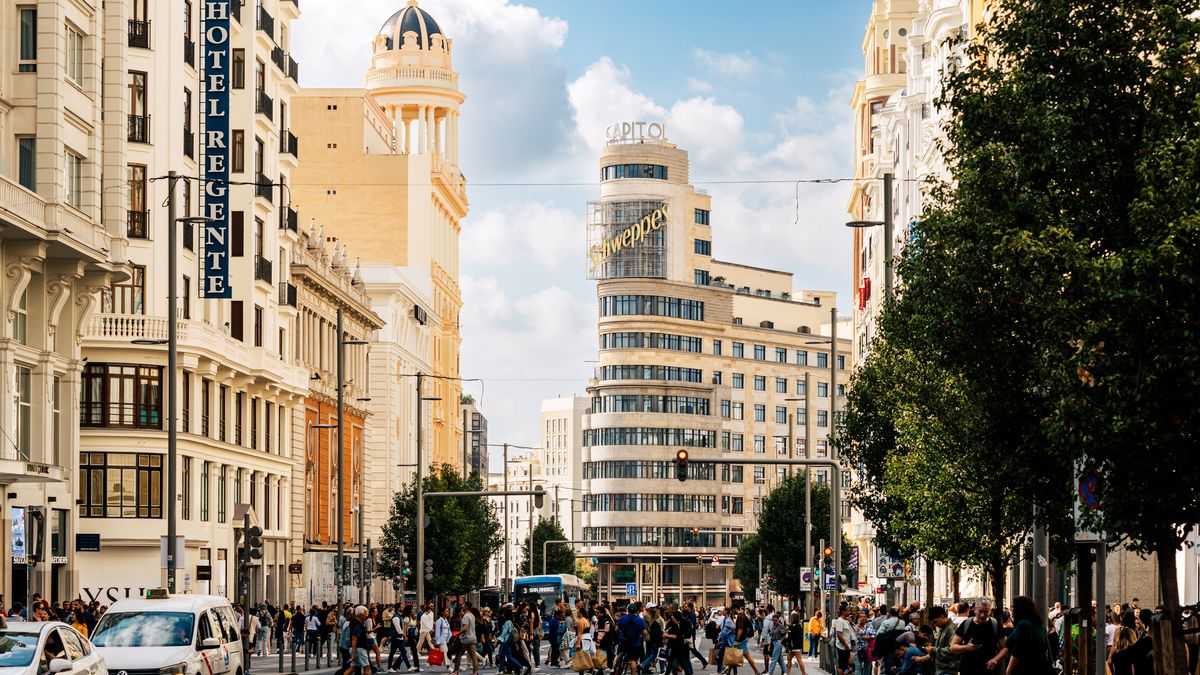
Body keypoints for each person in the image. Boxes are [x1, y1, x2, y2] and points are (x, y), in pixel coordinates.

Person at [951, 600, 1005, 675]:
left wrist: (996, 659)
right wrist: (966, 647)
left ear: (990, 611)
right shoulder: (966, 624)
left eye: (986, 612)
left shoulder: (995, 625)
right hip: (968, 669)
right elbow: (953, 646)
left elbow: (1005, 647)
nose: (982, 615)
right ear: (974, 609)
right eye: (980, 611)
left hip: (989, 670)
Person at [1003, 596, 1049, 675]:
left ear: (1020, 609)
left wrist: (1008, 670)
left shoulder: (1023, 625)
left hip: (1024, 668)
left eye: (1014, 606)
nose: (1012, 609)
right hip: (1040, 666)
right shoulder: (1039, 625)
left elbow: (1018, 649)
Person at [617, 603, 649, 675]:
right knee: (633, 660)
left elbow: (616, 629)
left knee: (619, 654)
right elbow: (645, 633)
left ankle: (616, 667)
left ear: (627, 610)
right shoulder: (639, 620)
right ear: (636, 610)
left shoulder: (623, 618)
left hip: (623, 641)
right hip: (635, 643)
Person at [733, 605, 762, 675]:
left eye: (733, 610)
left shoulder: (740, 617)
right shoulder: (743, 615)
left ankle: (757, 671)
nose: (733, 612)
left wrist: (737, 639)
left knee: (747, 656)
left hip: (741, 639)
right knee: (733, 654)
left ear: (735, 609)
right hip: (743, 638)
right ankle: (728, 671)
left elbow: (740, 629)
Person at [832, 606, 855, 675]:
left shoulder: (846, 620)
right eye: (848, 611)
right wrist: (845, 645)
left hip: (847, 647)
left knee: (845, 665)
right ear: (843, 612)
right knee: (841, 665)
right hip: (843, 647)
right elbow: (839, 634)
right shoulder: (840, 621)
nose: (849, 612)